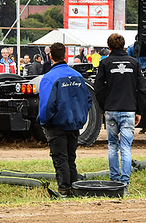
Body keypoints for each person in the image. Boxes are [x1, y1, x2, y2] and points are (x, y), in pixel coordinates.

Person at [37, 42, 92, 197]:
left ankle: (64, 190)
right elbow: (88, 100)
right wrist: (79, 117)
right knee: (71, 158)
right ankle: (74, 188)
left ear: (50, 56)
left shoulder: (49, 77)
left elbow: (47, 105)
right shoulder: (78, 76)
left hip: (57, 125)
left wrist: (43, 121)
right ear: (65, 55)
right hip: (74, 124)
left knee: (60, 158)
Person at [95, 33, 146, 194]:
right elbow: (142, 89)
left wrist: (104, 108)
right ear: (124, 46)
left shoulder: (105, 63)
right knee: (125, 147)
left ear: (109, 47)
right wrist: (139, 111)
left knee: (112, 146)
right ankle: (124, 184)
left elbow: (99, 88)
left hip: (111, 110)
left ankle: (114, 180)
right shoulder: (134, 63)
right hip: (129, 110)